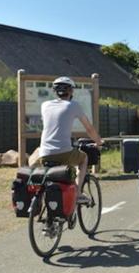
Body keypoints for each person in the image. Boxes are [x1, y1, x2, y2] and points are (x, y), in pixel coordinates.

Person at [38, 76, 103, 204]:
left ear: (55, 91)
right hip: (63, 152)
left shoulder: (45, 105)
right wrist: (99, 142)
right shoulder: (73, 105)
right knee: (84, 158)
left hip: (44, 153)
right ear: (71, 91)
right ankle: (78, 193)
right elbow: (89, 129)